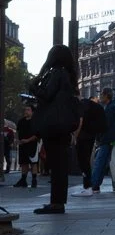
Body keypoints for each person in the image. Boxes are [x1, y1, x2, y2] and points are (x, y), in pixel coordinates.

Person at [28, 43, 80, 215]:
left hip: (54, 127)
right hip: (61, 126)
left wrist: (34, 87)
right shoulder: (67, 75)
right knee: (59, 165)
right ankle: (57, 202)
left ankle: (56, 203)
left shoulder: (57, 73)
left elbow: (47, 95)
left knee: (56, 165)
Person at [71, 94, 107, 196]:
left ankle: (87, 187)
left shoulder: (81, 105)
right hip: (91, 135)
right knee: (86, 160)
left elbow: (80, 121)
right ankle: (88, 186)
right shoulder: (89, 104)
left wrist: (75, 136)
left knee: (83, 161)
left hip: (83, 136)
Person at [87, 88, 115, 196]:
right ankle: (96, 185)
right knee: (104, 162)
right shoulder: (114, 107)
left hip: (106, 139)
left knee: (99, 162)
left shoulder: (110, 108)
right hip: (112, 138)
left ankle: (94, 184)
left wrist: (99, 137)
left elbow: (105, 125)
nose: (100, 97)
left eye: (101, 95)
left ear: (106, 96)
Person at [14, 104, 39, 189]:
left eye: (28, 110)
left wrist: (28, 140)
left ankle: (34, 180)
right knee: (24, 163)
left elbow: (37, 134)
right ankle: (23, 180)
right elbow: (17, 131)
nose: (26, 111)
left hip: (32, 145)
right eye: (25, 110)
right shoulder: (21, 121)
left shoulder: (36, 121)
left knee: (33, 163)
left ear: (32, 111)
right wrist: (17, 140)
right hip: (22, 145)